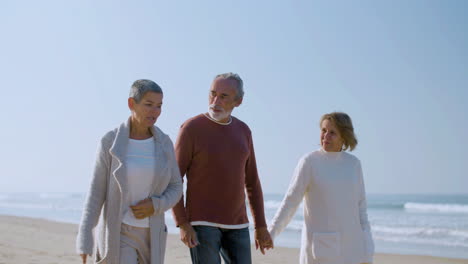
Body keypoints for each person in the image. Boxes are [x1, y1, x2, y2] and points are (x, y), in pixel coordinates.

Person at [76, 79, 183, 264]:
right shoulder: (110, 142)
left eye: (159, 106)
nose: (155, 112)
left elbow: (176, 187)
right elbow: (96, 193)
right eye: (149, 104)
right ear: (131, 103)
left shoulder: (164, 143)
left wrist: (156, 205)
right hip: (119, 233)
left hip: (153, 235)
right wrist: (85, 239)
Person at [172, 73, 273, 264]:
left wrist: (260, 225)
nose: (215, 101)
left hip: (238, 224)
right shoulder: (191, 128)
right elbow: (174, 178)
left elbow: (252, 181)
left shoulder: (244, 131)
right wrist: (183, 223)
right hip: (202, 224)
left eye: (224, 96)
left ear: (239, 101)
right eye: (212, 94)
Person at [268, 112, 374, 264]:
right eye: (323, 130)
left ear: (344, 136)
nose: (326, 136)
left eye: (332, 133)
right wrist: (271, 232)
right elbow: (291, 201)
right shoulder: (309, 162)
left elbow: (361, 208)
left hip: (353, 250)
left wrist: (367, 247)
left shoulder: (354, 164)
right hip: (319, 249)